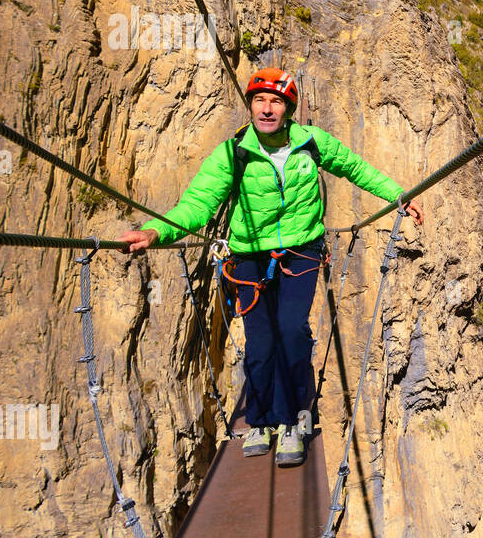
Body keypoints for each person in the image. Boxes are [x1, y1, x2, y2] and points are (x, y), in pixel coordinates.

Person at [118, 67, 423, 467]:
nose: (266, 109)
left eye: (276, 101)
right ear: (250, 106)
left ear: (288, 108)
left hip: (301, 251)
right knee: (260, 342)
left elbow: (354, 168)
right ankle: (261, 420)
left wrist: (397, 195)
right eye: (259, 101)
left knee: (292, 331)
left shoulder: (312, 143)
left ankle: (295, 416)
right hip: (248, 255)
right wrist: (156, 232)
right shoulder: (234, 153)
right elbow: (198, 203)